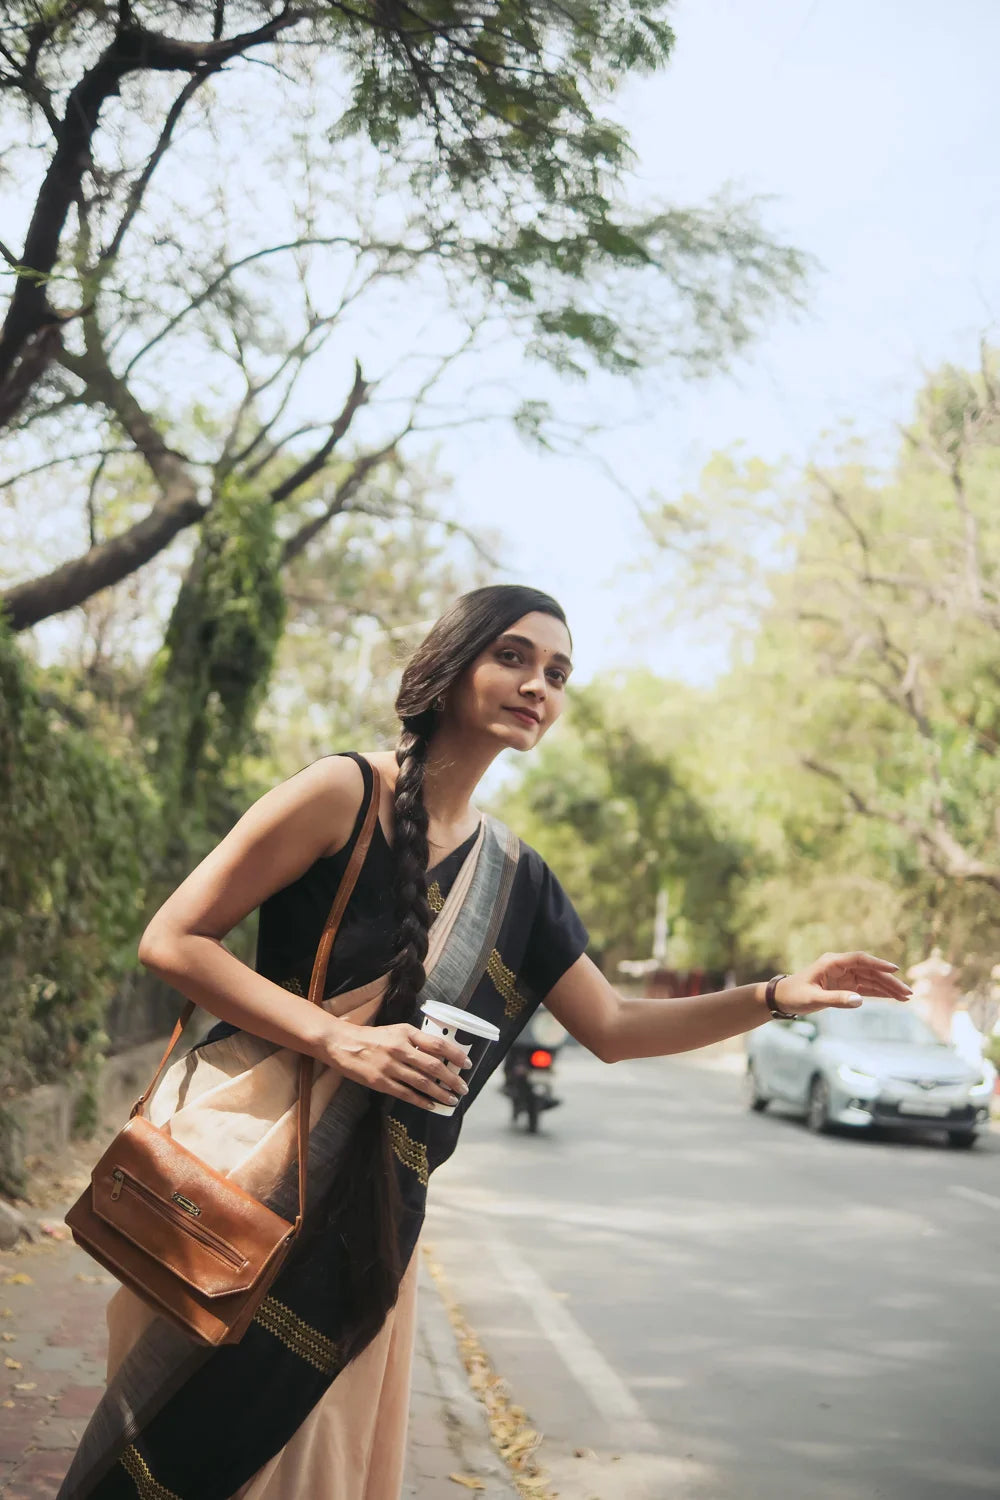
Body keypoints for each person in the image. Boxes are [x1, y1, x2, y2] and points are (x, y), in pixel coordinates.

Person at [57, 584, 912, 1500]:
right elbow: (172, 939)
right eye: (513, 656)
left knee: (311, 1470)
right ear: (448, 663)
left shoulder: (521, 880)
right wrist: (340, 1044)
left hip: (370, 1222)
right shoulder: (343, 792)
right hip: (245, 1190)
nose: (537, 684)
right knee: (173, 1449)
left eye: (557, 672)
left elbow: (616, 1028)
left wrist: (779, 994)